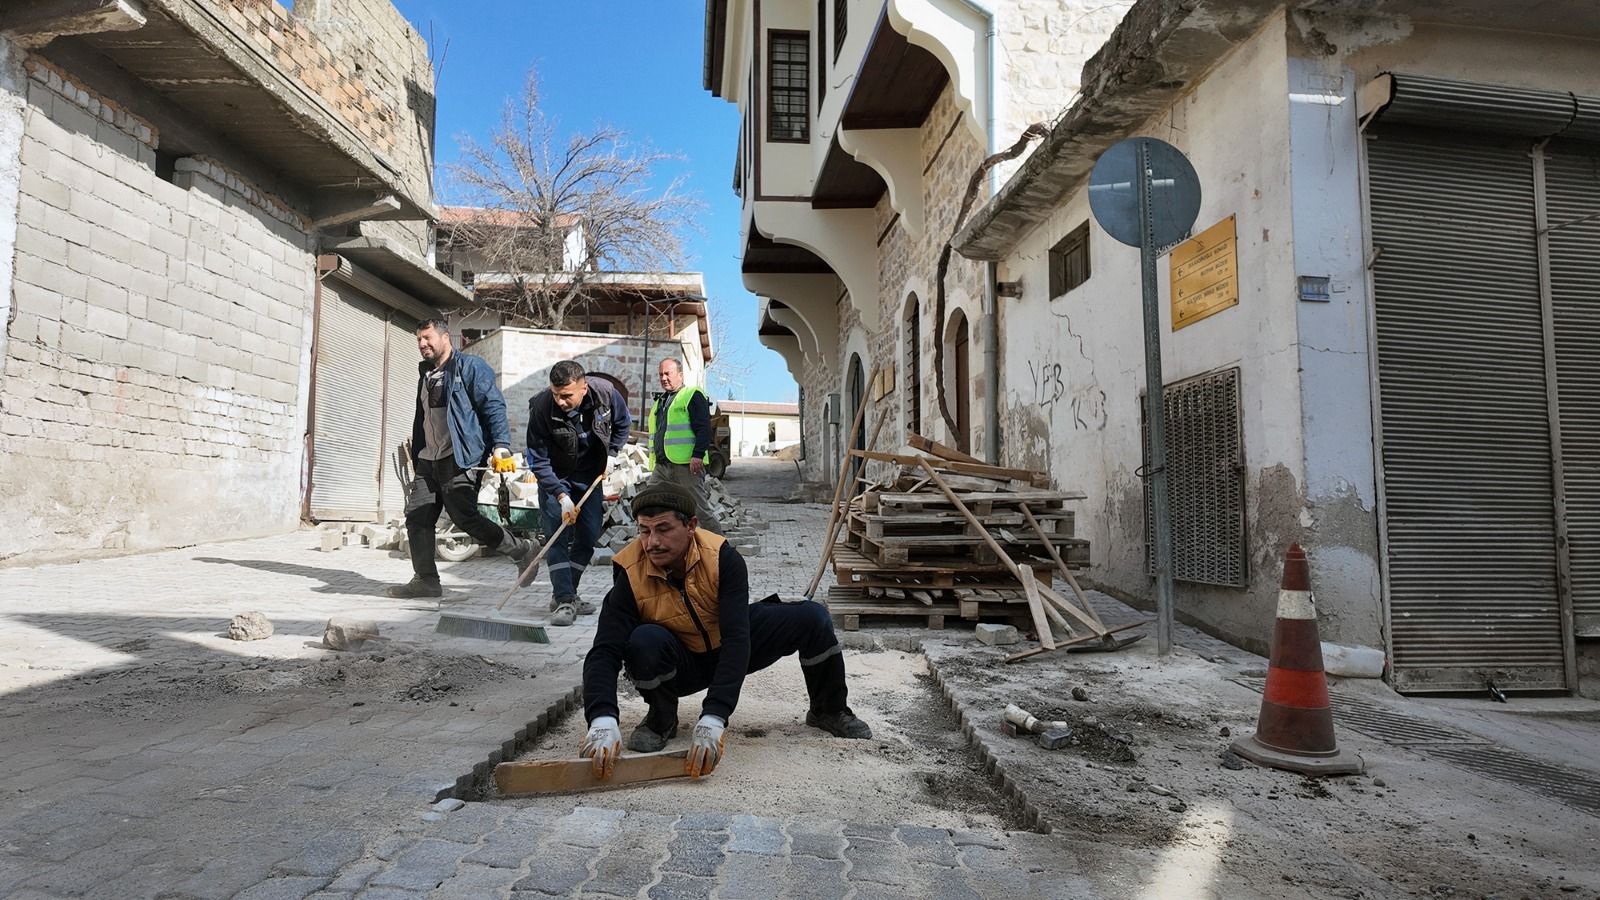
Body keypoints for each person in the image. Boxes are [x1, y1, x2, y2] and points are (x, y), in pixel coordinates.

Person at [576, 481, 872, 780]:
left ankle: (828, 709)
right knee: (642, 641)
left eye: (663, 529)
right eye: (644, 530)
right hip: (679, 664)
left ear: (691, 525)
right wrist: (601, 718)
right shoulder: (630, 571)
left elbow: (736, 639)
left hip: (726, 650)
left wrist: (714, 716)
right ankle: (661, 719)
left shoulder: (721, 558)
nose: (652, 541)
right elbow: (604, 649)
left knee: (813, 617)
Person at [387, 318, 535, 599]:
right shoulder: (426, 374)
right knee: (417, 517)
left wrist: (500, 446)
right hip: (428, 458)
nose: (422, 344)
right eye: (419, 339)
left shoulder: (470, 367)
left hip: (460, 456)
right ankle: (426, 580)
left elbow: (493, 405)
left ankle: (521, 549)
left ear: (445, 337)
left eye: (427, 338)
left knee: (464, 518)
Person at [525, 360, 632, 627]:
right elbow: (538, 460)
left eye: (567, 395)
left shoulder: (605, 394)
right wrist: (561, 496)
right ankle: (563, 599)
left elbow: (623, 423)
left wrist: (612, 453)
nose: (560, 401)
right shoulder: (541, 408)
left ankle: (567, 593)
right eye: (556, 394)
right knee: (557, 538)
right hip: (556, 479)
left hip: (590, 478)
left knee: (588, 535)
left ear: (583, 388)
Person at [646, 358, 723, 534]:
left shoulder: (691, 395)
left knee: (699, 510)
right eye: (661, 374)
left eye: (668, 373)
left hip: (686, 466)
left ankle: (722, 551)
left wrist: (697, 455)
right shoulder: (661, 402)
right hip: (662, 466)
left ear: (680, 375)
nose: (664, 378)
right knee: (650, 504)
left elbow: (704, 428)